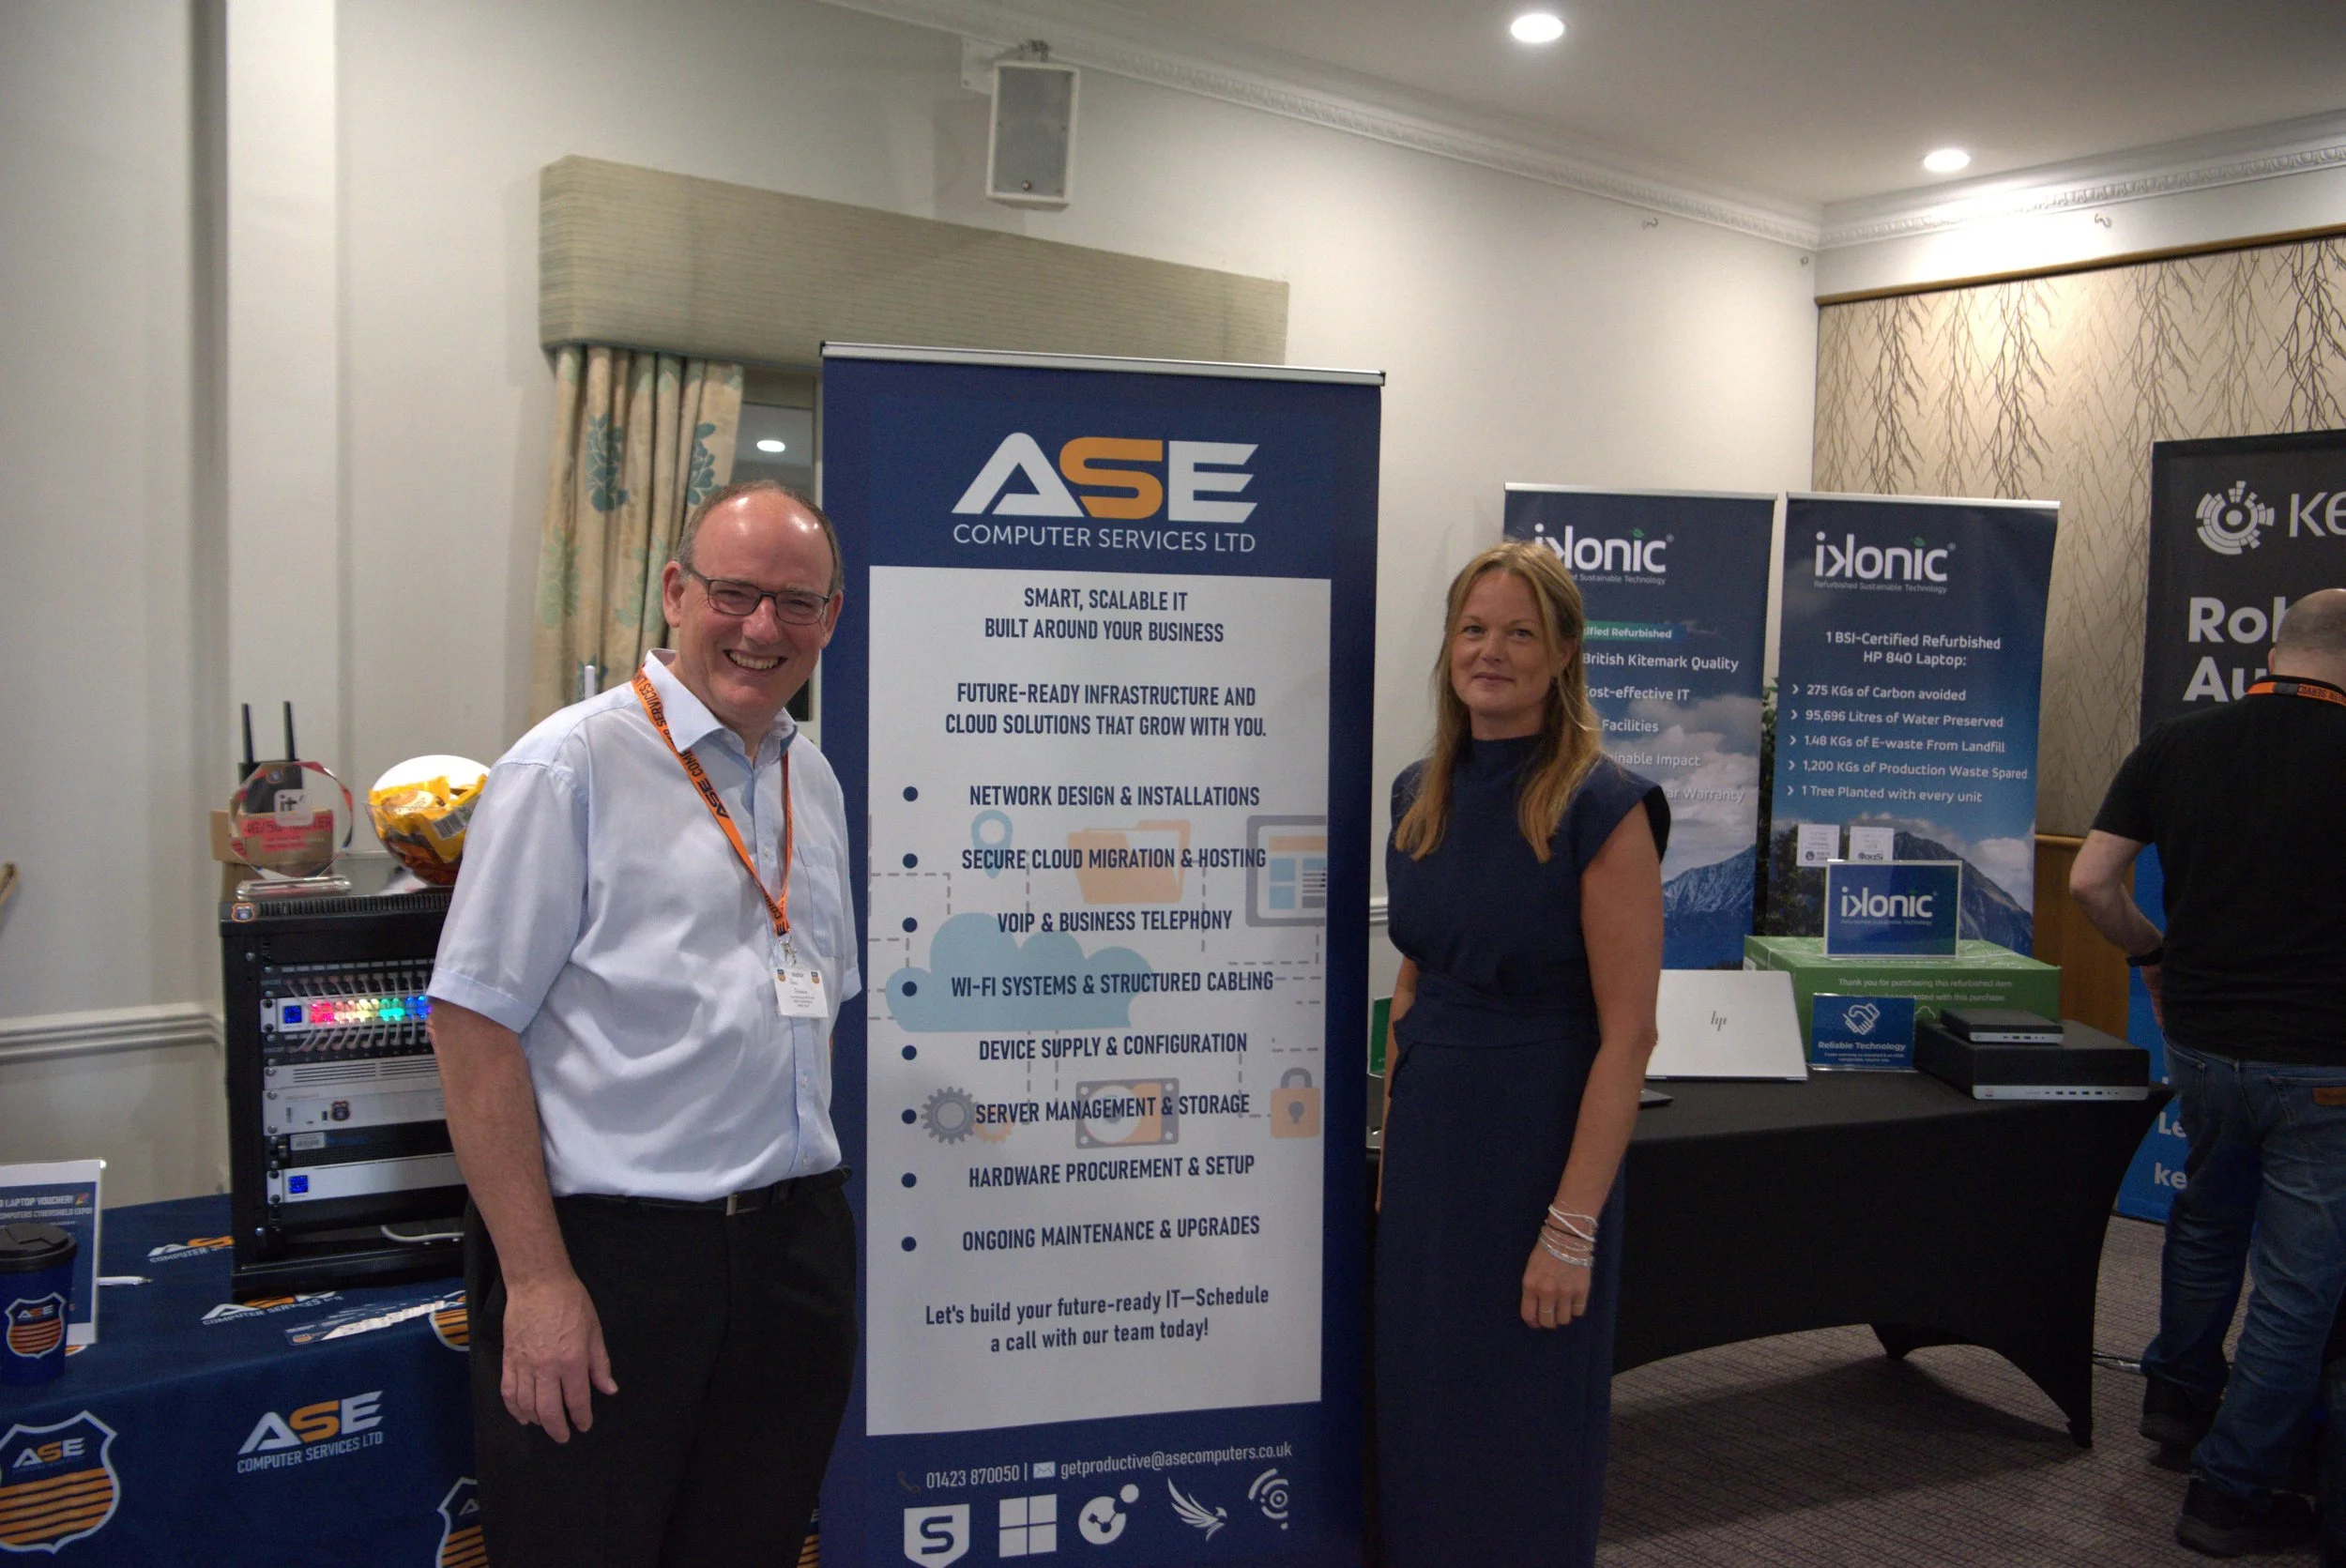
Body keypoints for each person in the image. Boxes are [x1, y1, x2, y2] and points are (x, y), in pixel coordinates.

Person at [426, 480, 860, 1566]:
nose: (763, 629)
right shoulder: (567, 766)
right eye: (735, 593)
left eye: (796, 603)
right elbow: (471, 1030)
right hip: (615, 1264)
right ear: (675, 592)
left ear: (831, 617)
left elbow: (813, 1008)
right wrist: (537, 1282)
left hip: (790, 1252)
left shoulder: (813, 777)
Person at [1374, 540, 1668, 1566]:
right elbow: (1414, 981)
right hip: (1431, 1159)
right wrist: (1392, 1146)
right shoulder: (1419, 790)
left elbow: (1629, 1034)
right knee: (1423, 1406)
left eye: (1517, 633)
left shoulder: (1603, 806)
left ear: (1562, 654)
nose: (1488, 652)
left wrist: (1571, 1229)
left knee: (1519, 1420)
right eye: (1472, 629)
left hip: (1537, 1156)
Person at [2070, 587, 2346, 1560]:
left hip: (2199, 1039)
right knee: (2298, 1285)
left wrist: (2151, 951)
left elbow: (2088, 882)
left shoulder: (2175, 743)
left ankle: (2178, 1401)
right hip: (2323, 1062)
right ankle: (2230, 1493)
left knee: (2207, 1218)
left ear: (2275, 650)